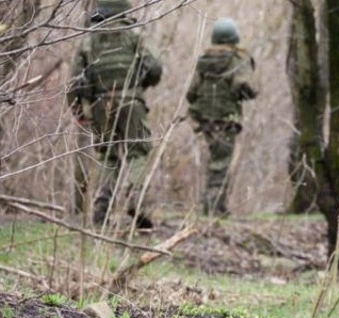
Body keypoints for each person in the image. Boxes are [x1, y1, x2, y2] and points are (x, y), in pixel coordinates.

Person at [67, 0, 163, 228]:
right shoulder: (134, 37)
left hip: (100, 104)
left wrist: (79, 111)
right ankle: (136, 201)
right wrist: (140, 86)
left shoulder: (87, 42)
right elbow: (155, 69)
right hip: (132, 101)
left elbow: (73, 83)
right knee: (138, 151)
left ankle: (101, 210)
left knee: (107, 155)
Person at [186, 18, 258, 216]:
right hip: (226, 117)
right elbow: (247, 87)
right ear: (234, 38)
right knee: (221, 162)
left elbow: (191, 92)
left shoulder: (204, 60)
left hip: (203, 119)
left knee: (215, 160)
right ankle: (213, 209)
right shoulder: (238, 59)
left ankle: (215, 206)